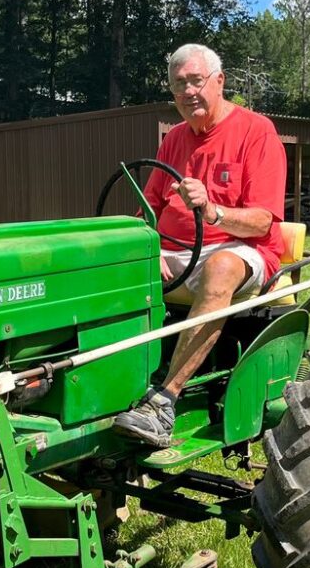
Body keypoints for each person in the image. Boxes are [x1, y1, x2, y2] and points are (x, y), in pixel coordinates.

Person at [112, 43, 288, 448]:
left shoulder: (256, 131)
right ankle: (104, 390)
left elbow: (262, 220)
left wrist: (212, 210)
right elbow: (149, 209)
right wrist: (146, 247)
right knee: (105, 265)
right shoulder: (174, 138)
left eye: (196, 81)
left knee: (220, 266)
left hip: (242, 252)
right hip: (176, 253)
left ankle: (163, 402)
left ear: (219, 81)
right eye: (179, 85)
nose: (189, 92)